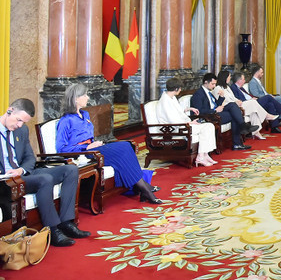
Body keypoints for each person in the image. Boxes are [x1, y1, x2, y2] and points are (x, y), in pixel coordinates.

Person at [2, 98, 90, 247]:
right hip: (7, 181)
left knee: (71, 170)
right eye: (18, 120)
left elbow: (30, 158)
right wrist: (10, 173)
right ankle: (53, 230)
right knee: (45, 179)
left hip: (24, 174)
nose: (20, 125)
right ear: (10, 111)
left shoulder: (22, 130)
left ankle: (66, 222)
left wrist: (21, 169)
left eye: (23, 122)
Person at [56, 83, 163, 204]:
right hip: (84, 153)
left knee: (127, 146)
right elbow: (61, 149)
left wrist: (94, 143)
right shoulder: (65, 121)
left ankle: (143, 188)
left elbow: (89, 137)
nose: (88, 97)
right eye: (84, 95)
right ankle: (145, 189)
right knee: (123, 148)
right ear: (76, 98)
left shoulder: (85, 114)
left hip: (94, 148)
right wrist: (86, 147)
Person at [156, 77, 218, 166]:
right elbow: (172, 120)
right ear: (176, 89)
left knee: (209, 126)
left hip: (182, 125)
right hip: (173, 129)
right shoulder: (165, 101)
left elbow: (177, 111)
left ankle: (204, 154)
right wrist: (190, 123)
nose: (180, 90)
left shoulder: (171, 97)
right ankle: (201, 156)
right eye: (180, 88)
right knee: (207, 127)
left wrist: (188, 109)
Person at [191, 73, 257, 151]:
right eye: (212, 84)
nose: (214, 86)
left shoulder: (208, 92)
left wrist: (221, 97)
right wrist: (215, 110)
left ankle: (241, 131)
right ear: (206, 82)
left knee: (232, 105)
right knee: (234, 115)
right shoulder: (198, 94)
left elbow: (216, 104)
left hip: (215, 112)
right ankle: (238, 139)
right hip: (209, 116)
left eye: (215, 84)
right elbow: (199, 111)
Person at [222, 71, 281, 136]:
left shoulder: (241, 88)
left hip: (253, 101)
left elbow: (247, 95)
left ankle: (274, 127)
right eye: (243, 79)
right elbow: (238, 100)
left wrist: (252, 98)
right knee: (268, 97)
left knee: (270, 104)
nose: (245, 81)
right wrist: (250, 100)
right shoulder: (233, 88)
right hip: (247, 104)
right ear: (239, 81)